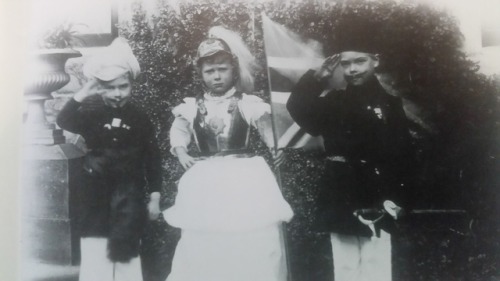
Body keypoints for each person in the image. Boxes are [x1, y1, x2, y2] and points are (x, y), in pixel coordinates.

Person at [163, 27, 293, 281]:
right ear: (200, 74)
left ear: (233, 70)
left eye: (222, 69)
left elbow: (266, 126)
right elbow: (179, 131)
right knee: (206, 236)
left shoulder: (248, 103)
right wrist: (180, 152)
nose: (217, 76)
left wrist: (276, 147)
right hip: (206, 178)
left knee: (251, 233)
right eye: (210, 71)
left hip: (244, 176)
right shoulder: (191, 107)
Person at [286, 27, 413, 281]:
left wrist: (397, 197)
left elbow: (403, 155)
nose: (353, 70)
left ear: (375, 60)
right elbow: (298, 107)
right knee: (345, 265)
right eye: (346, 64)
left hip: (378, 190)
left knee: (376, 261)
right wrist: (317, 78)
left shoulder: (390, 105)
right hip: (341, 189)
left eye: (360, 61)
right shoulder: (335, 102)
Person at [56, 38, 162, 281]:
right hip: (94, 196)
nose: (117, 93)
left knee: (126, 255)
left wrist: (155, 196)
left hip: (128, 196)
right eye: (110, 87)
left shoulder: (139, 117)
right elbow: (63, 120)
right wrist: (83, 93)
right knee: (96, 254)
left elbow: (152, 156)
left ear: (131, 85)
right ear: (100, 89)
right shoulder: (91, 114)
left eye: (123, 86)